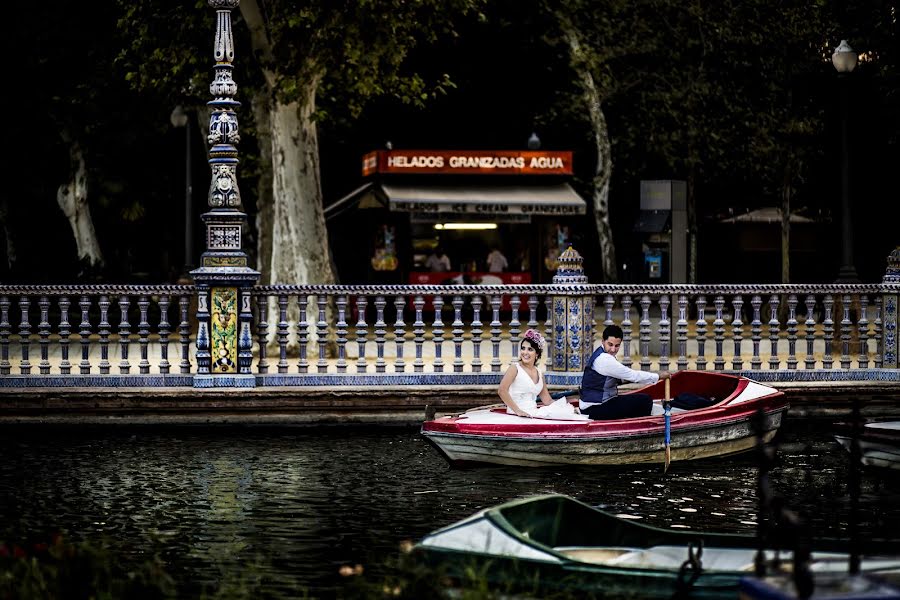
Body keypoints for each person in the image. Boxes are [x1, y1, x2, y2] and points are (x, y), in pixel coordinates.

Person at [580, 324, 670, 420]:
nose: (613, 349)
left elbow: (620, 378)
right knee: (645, 400)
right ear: (603, 341)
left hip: (597, 404)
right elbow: (633, 376)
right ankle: (639, 427)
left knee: (634, 399)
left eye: (617, 346)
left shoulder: (603, 353)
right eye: (610, 344)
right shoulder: (604, 359)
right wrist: (659, 376)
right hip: (594, 409)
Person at [498, 329, 588, 420]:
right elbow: (502, 391)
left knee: (569, 416)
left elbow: (547, 400)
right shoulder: (515, 368)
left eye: (530, 349)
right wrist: (518, 411)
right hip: (515, 414)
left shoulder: (539, 373)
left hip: (533, 413)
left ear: (537, 354)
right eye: (523, 348)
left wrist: (565, 409)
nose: (525, 352)